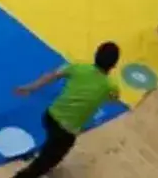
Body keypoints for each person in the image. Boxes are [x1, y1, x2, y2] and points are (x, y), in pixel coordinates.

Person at [12, 42, 121, 177]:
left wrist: (29, 88)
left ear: (96, 55)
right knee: (44, 165)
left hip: (50, 117)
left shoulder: (79, 67)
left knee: (51, 143)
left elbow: (52, 75)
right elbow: (114, 99)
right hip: (66, 133)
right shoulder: (110, 87)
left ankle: (44, 155)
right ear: (114, 65)